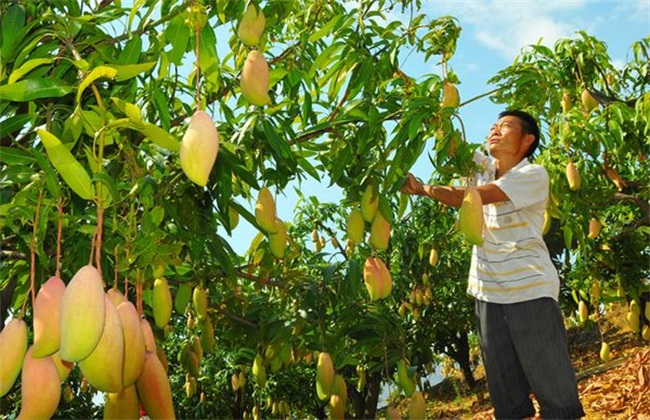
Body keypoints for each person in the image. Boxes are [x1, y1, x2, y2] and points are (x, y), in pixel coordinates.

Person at [401, 110, 585, 419]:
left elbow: (471, 197)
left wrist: (424, 189)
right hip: (487, 292)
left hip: (529, 290)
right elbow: (449, 138)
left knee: (555, 393)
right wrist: (413, 92)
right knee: (507, 398)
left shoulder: (533, 174)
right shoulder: (482, 168)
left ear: (527, 140)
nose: (494, 130)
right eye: (492, 125)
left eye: (504, 126)